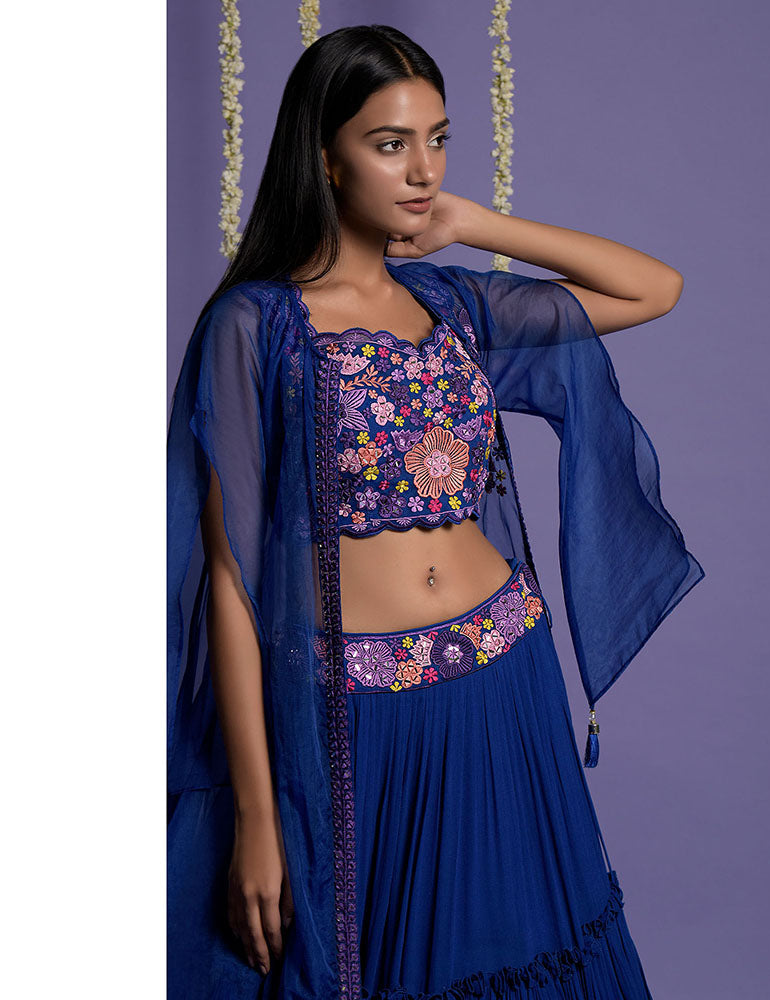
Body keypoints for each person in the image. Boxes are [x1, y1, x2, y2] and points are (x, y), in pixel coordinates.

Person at [167, 24, 704, 1000]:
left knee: (531, 954)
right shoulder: (255, 324)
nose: (421, 170)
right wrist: (256, 815)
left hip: (504, 675)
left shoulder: (453, 302)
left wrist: (477, 223)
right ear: (325, 158)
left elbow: (652, 289)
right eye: (390, 144)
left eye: (438, 140)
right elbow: (232, 582)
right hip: (364, 708)